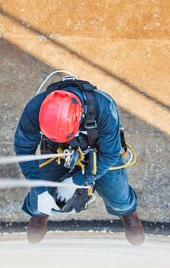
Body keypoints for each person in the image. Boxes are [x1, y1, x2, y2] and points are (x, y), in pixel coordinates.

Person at [14, 76, 145, 246]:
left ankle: (126, 213)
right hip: (58, 152)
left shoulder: (104, 107)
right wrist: (40, 191)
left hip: (100, 153)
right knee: (39, 199)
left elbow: (110, 154)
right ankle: (40, 213)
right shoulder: (35, 110)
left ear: (81, 114)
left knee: (117, 193)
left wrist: (76, 180)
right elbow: (24, 150)